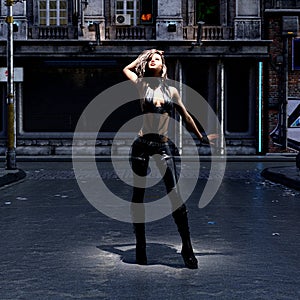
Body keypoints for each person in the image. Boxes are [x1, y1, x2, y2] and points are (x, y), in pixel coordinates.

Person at [123, 49, 218, 269]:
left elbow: (185, 116)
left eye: (157, 59)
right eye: (150, 60)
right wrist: (145, 55)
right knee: (138, 198)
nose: (153, 61)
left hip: (163, 146)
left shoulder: (172, 91)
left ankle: (187, 247)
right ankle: (141, 247)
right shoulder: (141, 84)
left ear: (163, 64)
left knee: (175, 197)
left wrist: (202, 137)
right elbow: (126, 69)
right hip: (141, 146)